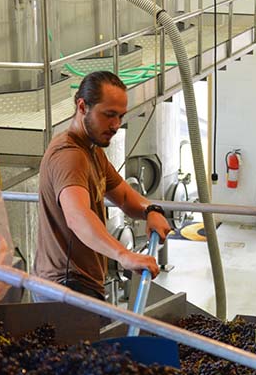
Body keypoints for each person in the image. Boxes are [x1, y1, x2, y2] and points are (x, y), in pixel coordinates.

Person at [33, 71, 171, 300]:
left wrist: (151, 210)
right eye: (109, 115)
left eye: (120, 116)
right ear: (82, 106)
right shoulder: (69, 156)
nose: (116, 125)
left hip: (83, 283)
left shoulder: (92, 150)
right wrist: (124, 255)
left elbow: (125, 198)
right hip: (65, 289)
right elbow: (77, 216)